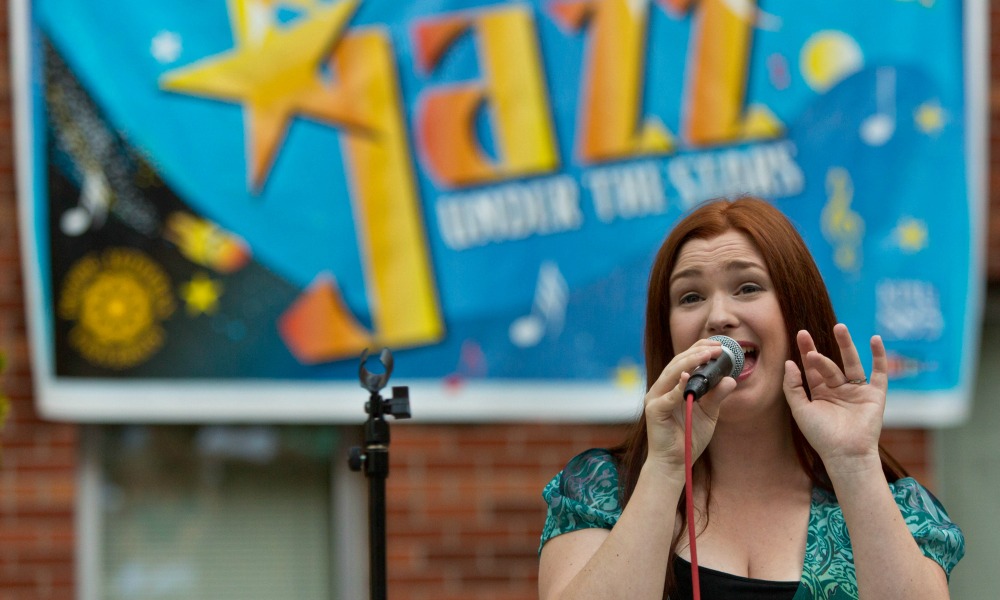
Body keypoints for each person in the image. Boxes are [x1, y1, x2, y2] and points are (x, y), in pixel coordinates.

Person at [537, 197, 964, 599]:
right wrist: (666, 468)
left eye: (747, 288)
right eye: (691, 297)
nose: (719, 316)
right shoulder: (600, 489)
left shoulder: (892, 503)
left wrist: (854, 464)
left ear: (796, 311)